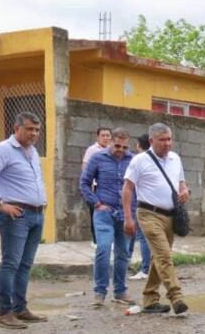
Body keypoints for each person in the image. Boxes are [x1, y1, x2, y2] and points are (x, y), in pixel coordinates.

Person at [0, 112, 50, 329]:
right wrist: (0, 204)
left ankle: (20, 308)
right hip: (15, 216)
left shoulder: (33, 151)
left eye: (37, 130)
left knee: (25, 265)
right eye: (29, 129)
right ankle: (4, 313)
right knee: (11, 263)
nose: (34, 134)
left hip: (36, 214)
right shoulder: (3, 150)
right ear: (16, 128)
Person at [121, 123, 190, 315]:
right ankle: (176, 296)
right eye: (162, 140)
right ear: (152, 141)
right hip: (148, 214)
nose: (167, 143)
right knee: (165, 256)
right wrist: (128, 217)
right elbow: (127, 189)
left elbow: (181, 183)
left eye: (169, 139)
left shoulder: (176, 159)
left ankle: (150, 299)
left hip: (170, 216)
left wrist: (184, 191)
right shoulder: (140, 161)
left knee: (158, 258)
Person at [80, 128, 136, 308]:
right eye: (117, 145)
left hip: (126, 213)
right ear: (110, 141)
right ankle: (100, 292)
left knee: (123, 253)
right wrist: (96, 202)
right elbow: (84, 183)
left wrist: (134, 211)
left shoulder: (133, 160)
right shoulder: (98, 158)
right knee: (103, 250)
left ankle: (120, 291)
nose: (120, 149)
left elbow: (140, 185)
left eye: (124, 147)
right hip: (104, 212)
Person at [126, 133, 152, 280]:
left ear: (139, 145)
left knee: (142, 238)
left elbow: (129, 186)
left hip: (141, 205)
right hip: (150, 206)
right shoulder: (157, 160)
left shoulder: (137, 161)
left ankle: (145, 269)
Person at [82, 127, 112, 245]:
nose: (105, 138)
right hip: (95, 187)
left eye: (108, 135)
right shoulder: (92, 150)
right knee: (95, 213)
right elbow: (85, 167)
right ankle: (96, 241)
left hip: (108, 188)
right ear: (97, 137)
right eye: (103, 135)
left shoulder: (112, 150)